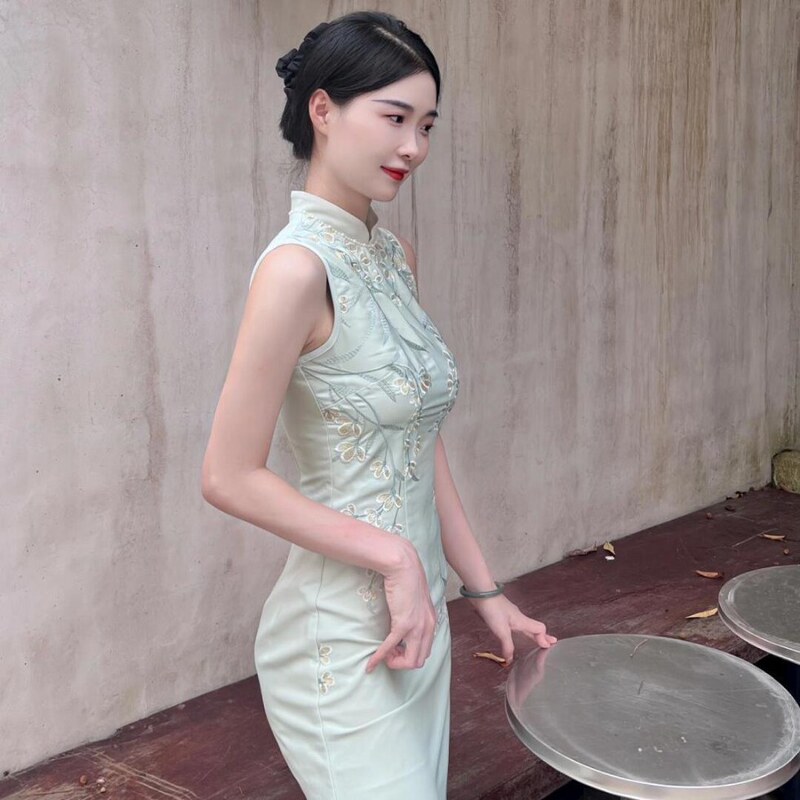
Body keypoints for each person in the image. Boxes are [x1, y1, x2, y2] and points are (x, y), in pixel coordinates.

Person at [201, 10, 556, 799]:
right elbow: (227, 475)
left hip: (419, 623)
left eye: (426, 125)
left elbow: (421, 446)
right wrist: (395, 557)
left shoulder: (395, 258)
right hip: (340, 644)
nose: (414, 147)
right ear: (322, 110)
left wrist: (485, 593)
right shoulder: (296, 272)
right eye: (395, 118)